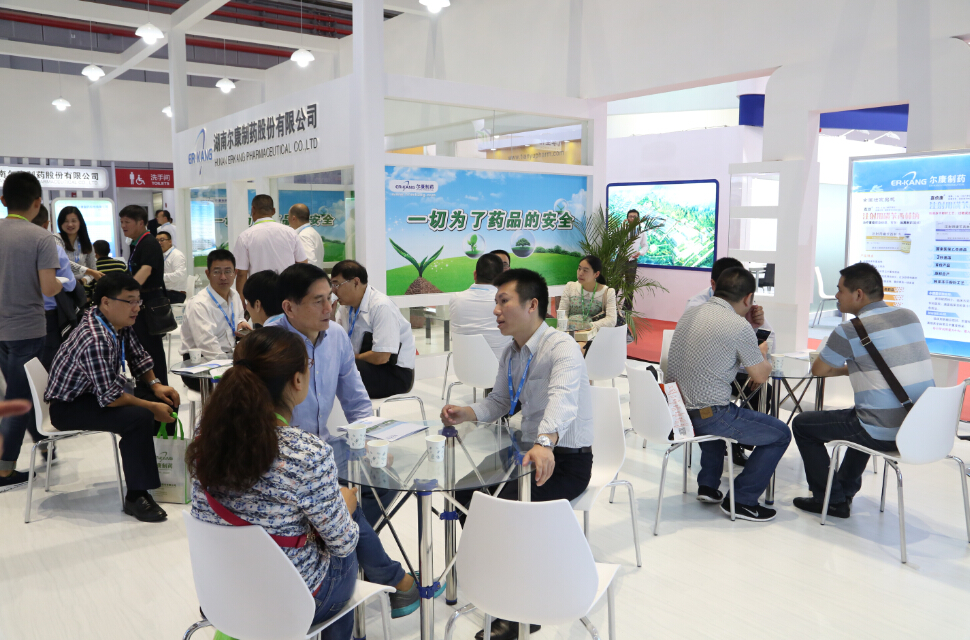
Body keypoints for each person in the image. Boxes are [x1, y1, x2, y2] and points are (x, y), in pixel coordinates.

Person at [187, 328, 425, 623]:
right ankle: (394, 585)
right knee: (345, 528)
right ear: (297, 381)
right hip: (290, 602)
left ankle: (397, 580)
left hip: (222, 591)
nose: (328, 308)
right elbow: (343, 543)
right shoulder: (307, 453)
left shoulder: (205, 436)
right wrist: (345, 508)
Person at [442, 268, 593, 640]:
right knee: (464, 493)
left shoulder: (561, 347)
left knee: (507, 509)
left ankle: (524, 610)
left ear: (532, 305)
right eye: (496, 302)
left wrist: (545, 442)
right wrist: (466, 412)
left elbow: (562, 399)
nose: (496, 310)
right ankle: (497, 573)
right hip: (525, 452)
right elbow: (499, 401)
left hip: (565, 458)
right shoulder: (511, 352)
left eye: (503, 301)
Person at [792, 263, 935, 519]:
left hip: (884, 431)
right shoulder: (910, 316)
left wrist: (848, 368)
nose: (836, 295)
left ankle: (830, 500)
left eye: (840, 290)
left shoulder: (849, 331)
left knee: (803, 425)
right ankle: (845, 491)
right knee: (861, 416)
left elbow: (819, 370)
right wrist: (858, 367)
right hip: (919, 426)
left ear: (858, 294)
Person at [45, 272, 180, 522]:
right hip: (69, 407)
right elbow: (111, 398)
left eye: (138, 301)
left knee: (164, 400)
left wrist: (156, 385)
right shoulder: (94, 337)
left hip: (93, 393)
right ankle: (137, 496)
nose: (136, 307)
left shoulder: (115, 322)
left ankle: (162, 473)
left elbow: (138, 356)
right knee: (139, 417)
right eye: (130, 301)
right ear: (106, 302)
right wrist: (151, 407)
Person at [667, 267, 791, 522]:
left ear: (716, 288)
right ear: (748, 298)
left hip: (676, 413)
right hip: (708, 415)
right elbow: (760, 376)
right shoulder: (737, 325)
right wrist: (762, 350)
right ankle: (743, 500)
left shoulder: (690, 313)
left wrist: (750, 329)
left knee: (712, 410)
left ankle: (708, 485)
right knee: (780, 434)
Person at [265, 265, 382, 515]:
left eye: (330, 297)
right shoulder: (270, 343)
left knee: (383, 477)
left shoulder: (337, 336)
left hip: (326, 447)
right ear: (289, 308)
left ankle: (345, 526)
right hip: (285, 457)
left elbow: (356, 400)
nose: (329, 308)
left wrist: (370, 441)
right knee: (342, 512)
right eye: (318, 301)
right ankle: (343, 526)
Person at [0, 171, 62, 490]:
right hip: (27, 329)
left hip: (2, 331)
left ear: (3, 200)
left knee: (20, 391)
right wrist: (63, 282)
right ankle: (4, 470)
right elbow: (49, 288)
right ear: (38, 203)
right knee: (19, 399)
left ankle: (43, 441)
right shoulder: (41, 238)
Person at [684, 256, 774, 466]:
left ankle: (738, 444)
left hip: (729, 374)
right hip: (706, 383)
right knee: (780, 433)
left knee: (762, 390)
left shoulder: (744, 308)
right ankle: (732, 437)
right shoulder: (697, 306)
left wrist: (757, 325)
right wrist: (757, 359)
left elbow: (769, 340)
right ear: (714, 284)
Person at [331, 260, 417, 399]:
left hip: (394, 374)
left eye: (337, 284)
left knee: (338, 368)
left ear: (356, 282)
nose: (334, 291)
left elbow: (382, 356)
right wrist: (329, 318)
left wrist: (349, 359)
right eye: (332, 285)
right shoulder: (345, 307)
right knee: (327, 363)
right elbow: (335, 344)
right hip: (366, 366)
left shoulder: (381, 306)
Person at [179, 250, 249, 391]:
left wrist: (241, 323)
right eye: (217, 272)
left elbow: (239, 317)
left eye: (228, 271)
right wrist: (234, 367)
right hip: (200, 365)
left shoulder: (234, 295)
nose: (223, 277)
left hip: (228, 357)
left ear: (235, 273)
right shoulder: (199, 304)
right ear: (208, 274)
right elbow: (207, 345)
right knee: (245, 386)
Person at [121, 205, 170, 393]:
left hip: (149, 307)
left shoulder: (149, 243)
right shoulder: (137, 243)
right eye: (122, 222)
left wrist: (125, 296)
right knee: (141, 349)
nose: (123, 226)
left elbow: (145, 271)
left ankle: (159, 393)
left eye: (127, 222)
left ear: (141, 223)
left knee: (151, 351)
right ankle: (146, 389)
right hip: (141, 305)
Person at [30, 205, 78, 371]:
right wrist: (53, 282)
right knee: (48, 364)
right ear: (46, 224)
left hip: (13, 316)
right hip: (48, 315)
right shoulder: (53, 249)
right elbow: (70, 285)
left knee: (20, 364)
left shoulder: (9, 247)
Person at [234, 194, 308, 295]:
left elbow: (241, 274)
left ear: (253, 210)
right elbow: (303, 265)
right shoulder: (290, 232)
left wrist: (242, 301)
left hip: (259, 294)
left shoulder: (245, 236)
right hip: (287, 293)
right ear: (273, 211)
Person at [449, 253, 512, 361]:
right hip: (502, 368)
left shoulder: (456, 299)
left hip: (463, 366)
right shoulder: (507, 302)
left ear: (475, 274)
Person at [559, 255, 617, 335]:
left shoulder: (608, 292)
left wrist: (587, 327)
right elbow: (562, 312)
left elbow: (611, 320)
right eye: (579, 269)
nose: (580, 273)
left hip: (593, 335)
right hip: (569, 333)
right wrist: (567, 328)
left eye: (585, 270)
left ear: (596, 274)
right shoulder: (570, 286)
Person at [56, 205, 102, 284]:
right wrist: (89, 271)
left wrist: (83, 280)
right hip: (61, 285)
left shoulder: (86, 243)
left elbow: (93, 269)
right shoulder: (56, 239)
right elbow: (63, 262)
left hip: (80, 286)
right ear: (60, 223)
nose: (70, 224)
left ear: (80, 222)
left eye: (73, 221)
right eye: (66, 221)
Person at [288, 203, 325, 268]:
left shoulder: (303, 236)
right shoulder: (312, 232)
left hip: (309, 274)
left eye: (288, 216)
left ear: (293, 218)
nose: (288, 219)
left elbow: (309, 264)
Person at [158, 231, 187, 304]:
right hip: (165, 291)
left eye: (162, 240)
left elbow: (180, 275)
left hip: (176, 294)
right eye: (157, 241)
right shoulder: (161, 255)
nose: (159, 243)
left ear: (170, 241)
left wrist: (160, 277)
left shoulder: (177, 255)